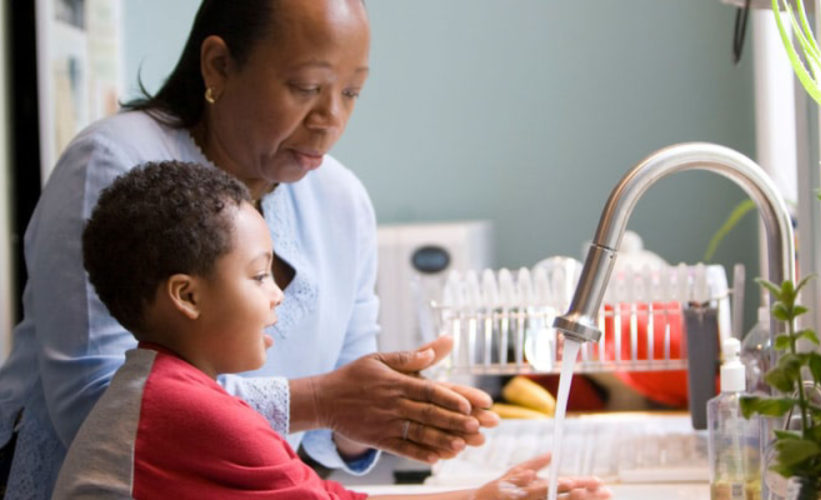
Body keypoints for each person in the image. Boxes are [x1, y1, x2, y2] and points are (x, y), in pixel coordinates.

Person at [0, 0, 497, 497]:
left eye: (351, 92)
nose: (330, 119)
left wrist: (392, 408)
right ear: (218, 64)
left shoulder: (343, 199)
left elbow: (333, 429)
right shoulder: (112, 162)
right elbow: (98, 407)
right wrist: (323, 400)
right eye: (306, 88)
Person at [53, 161, 611, 500]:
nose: (278, 293)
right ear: (188, 296)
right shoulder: (194, 414)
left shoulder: (162, 390)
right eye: (258, 275)